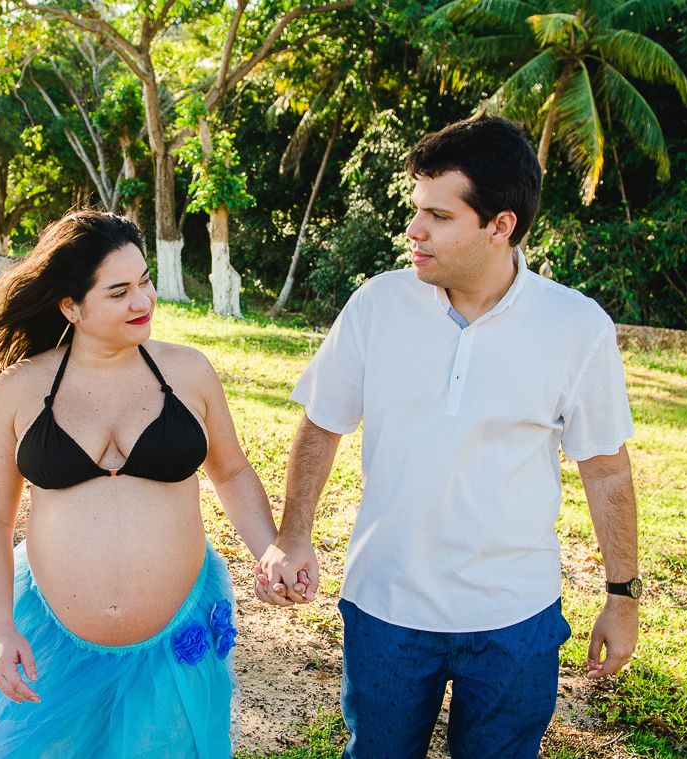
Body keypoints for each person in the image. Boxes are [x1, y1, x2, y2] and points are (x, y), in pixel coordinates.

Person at [256, 116, 640, 759]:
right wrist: (293, 536)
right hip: (385, 608)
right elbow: (322, 426)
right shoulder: (378, 304)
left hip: (515, 619)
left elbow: (606, 470)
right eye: (416, 211)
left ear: (500, 225)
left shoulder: (577, 328)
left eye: (438, 215)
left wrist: (622, 597)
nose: (414, 231)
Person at [0, 210, 279, 759]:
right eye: (118, 292)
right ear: (71, 305)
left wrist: (270, 551)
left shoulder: (189, 373)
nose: (142, 302)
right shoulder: (21, 390)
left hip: (174, 640)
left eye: (144, 281)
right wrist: (0, 630)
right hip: (47, 640)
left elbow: (230, 472)